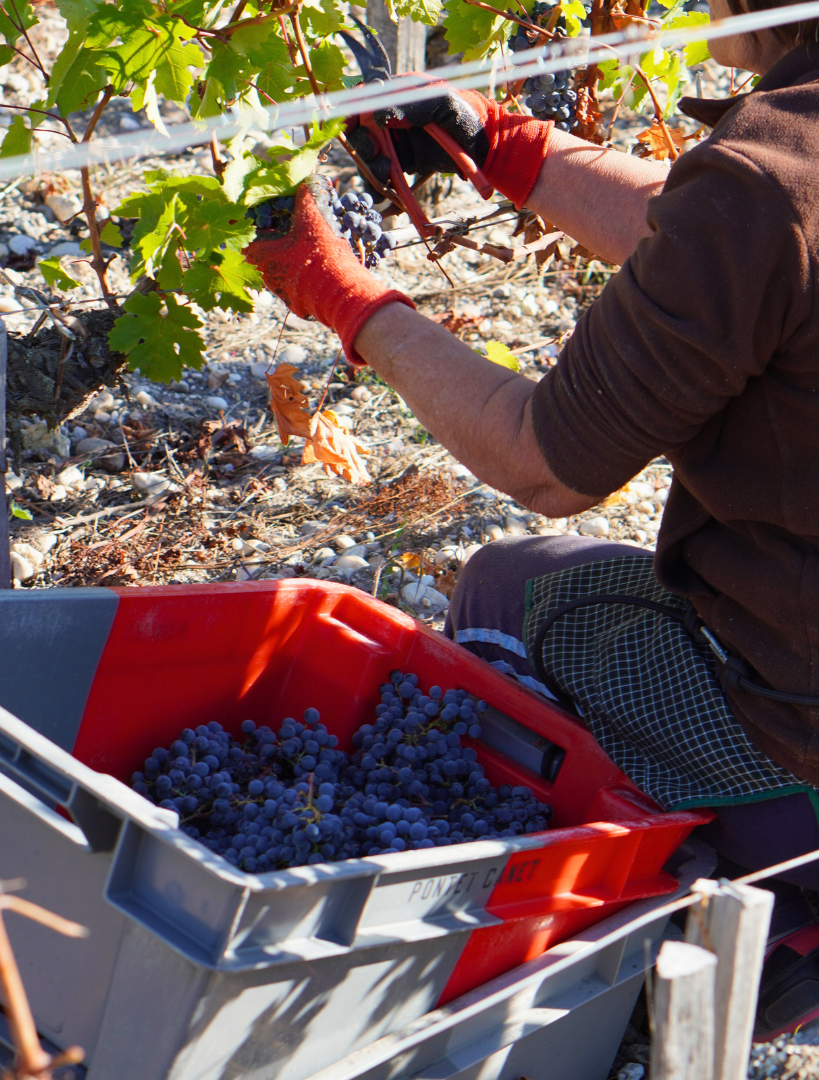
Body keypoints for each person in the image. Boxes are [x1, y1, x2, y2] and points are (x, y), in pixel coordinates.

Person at [245, 0, 819, 1040]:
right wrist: (508, 148)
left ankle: (730, 924)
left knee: (515, 595)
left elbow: (544, 459)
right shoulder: (776, 178)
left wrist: (346, 300)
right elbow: (726, 239)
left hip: (803, 741)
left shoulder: (761, 186)